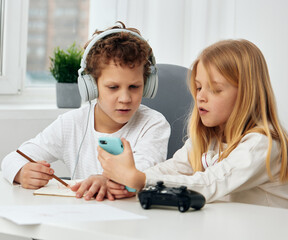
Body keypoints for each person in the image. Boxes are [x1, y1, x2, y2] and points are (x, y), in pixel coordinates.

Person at [98, 39, 288, 207]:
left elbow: (210, 183)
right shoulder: (208, 139)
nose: (200, 97)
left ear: (247, 94)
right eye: (198, 87)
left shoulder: (263, 145)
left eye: (215, 89)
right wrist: (126, 180)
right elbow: (172, 168)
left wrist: (141, 180)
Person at [1, 22, 171, 201]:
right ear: (91, 87)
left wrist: (106, 180)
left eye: (134, 87)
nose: (125, 98)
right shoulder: (71, 123)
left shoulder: (153, 124)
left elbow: (141, 174)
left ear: (147, 86)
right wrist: (22, 172)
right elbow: (12, 159)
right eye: (113, 87)